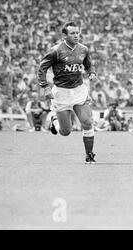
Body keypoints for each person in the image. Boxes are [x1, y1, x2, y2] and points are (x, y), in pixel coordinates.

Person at [38, 22, 98, 164]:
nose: (77, 35)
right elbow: (42, 69)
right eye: (73, 33)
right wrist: (45, 87)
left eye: (78, 33)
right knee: (66, 131)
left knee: (87, 122)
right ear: (64, 35)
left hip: (78, 90)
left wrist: (92, 73)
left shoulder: (84, 49)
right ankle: (55, 122)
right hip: (61, 92)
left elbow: (89, 65)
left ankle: (89, 155)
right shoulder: (55, 51)